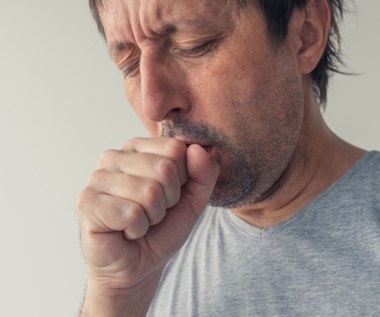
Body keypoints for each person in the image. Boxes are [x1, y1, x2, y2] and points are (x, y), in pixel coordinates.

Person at [77, 0, 380, 316]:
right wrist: (114, 295)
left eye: (193, 45)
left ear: (305, 35)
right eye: (130, 65)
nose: (154, 105)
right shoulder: (143, 251)